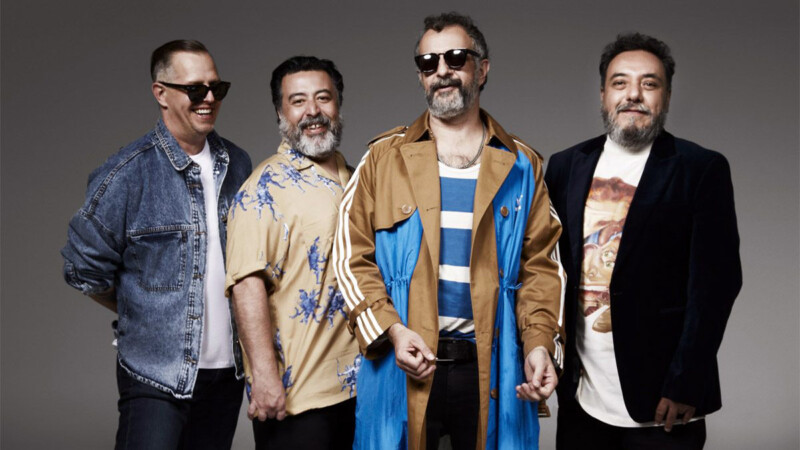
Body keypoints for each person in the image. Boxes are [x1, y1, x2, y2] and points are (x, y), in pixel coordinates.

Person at [334, 12, 565, 450]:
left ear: (483, 68)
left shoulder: (523, 165)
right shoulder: (382, 159)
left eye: (456, 58)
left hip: (493, 366)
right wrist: (393, 331)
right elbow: (349, 259)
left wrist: (539, 345)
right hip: (402, 360)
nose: (442, 70)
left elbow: (542, 268)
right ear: (421, 76)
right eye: (428, 62)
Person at [545, 32, 742, 450]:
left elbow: (716, 286)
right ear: (603, 95)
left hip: (665, 403)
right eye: (620, 82)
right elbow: (548, 272)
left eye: (649, 83)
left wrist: (687, 381)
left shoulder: (700, 169)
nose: (633, 94)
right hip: (581, 401)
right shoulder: (565, 166)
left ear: (666, 96)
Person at [61, 39, 252, 449]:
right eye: (195, 89)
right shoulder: (127, 173)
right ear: (161, 93)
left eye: (217, 88)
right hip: (154, 373)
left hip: (227, 375)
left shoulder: (238, 165)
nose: (208, 99)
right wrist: (146, 313)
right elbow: (82, 269)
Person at [225, 56, 359, 450]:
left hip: (361, 387)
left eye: (323, 98)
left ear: (338, 104)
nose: (313, 111)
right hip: (298, 395)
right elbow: (246, 286)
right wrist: (265, 377)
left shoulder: (357, 178)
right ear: (280, 112)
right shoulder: (263, 189)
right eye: (298, 101)